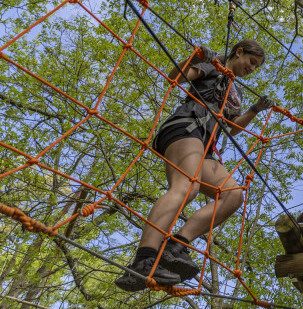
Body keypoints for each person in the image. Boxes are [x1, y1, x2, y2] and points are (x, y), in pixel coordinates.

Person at [115, 39, 274, 291]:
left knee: (232, 195)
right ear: (239, 52)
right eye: (251, 62)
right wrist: (197, 57)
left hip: (205, 144)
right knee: (187, 188)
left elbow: (230, 128)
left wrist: (254, 109)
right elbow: (175, 76)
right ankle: (143, 260)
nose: (252, 69)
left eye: (257, 67)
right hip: (186, 127)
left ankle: (176, 246)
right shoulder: (214, 67)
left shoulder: (236, 91)